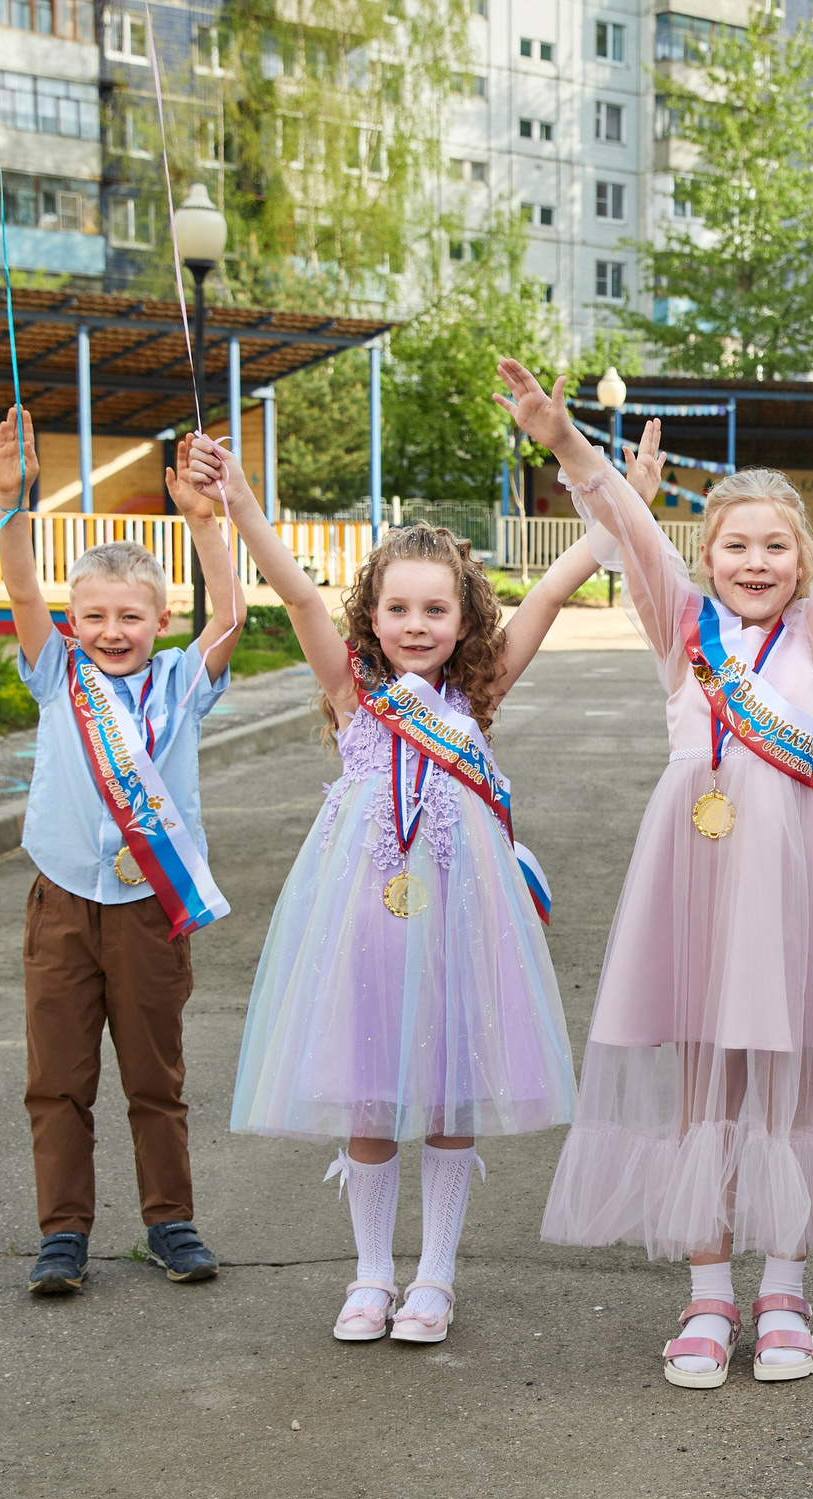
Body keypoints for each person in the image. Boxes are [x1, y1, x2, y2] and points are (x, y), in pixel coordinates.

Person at [505, 349, 813, 1389]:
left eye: (775, 547)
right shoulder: (680, 632)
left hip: (800, 887)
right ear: (704, 557)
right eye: (733, 545)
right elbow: (626, 530)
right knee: (700, 1084)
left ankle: (785, 1290)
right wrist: (571, 445)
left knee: (792, 1089)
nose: (754, 562)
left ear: (800, 561)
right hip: (698, 883)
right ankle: (709, 1295)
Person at [189, 425, 602, 1343]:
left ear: (465, 620)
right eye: (399, 608)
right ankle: (372, 1273)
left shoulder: (479, 691)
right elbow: (293, 589)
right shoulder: (349, 689)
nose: (416, 626)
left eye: (436, 610)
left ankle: (437, 1276)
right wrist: (242, 503)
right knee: (369, 1090)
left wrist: (610, 500)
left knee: (451, 1094)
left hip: (459, 914)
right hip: (361, 918)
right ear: (370, 615)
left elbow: (552, 589)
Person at [0, 409, 240, 1297]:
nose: (111, 630)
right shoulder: (58, 673)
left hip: (149, 907)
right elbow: (20, 591)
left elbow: (234, 613)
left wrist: (206, 525)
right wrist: (11, 502)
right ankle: (62, 1235)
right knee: (56, 1079)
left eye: (130, 615)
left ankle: (170, 1223)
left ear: (161, 617)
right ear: (72, 618)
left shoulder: (181, 681)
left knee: (154, 1075)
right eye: (93, 614)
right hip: (61, 900)